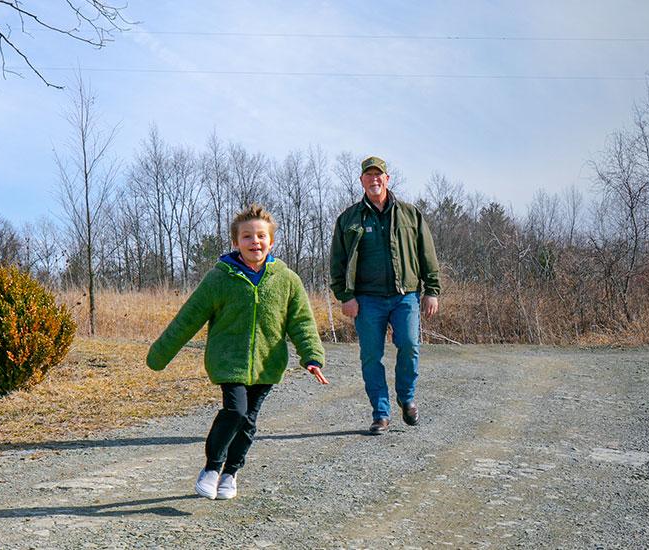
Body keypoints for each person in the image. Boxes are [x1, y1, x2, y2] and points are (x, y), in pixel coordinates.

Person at [147, 204, 330, 500]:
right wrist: (160, 354)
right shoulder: (220, 278)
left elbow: (302, 322)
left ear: (271, 241)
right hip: (228, 361)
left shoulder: (287, 280)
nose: (254, 241)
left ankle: (231, 474)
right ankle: (211, 468)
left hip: (267, 364)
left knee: (248, 421)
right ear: (236, 242)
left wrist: (311, 357)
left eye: (260, 236)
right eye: (247, 236)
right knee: (236, 411)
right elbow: (188, 317)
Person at [329, 155, 441, 435]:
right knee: (371, 357)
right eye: (369, 175)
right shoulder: (348, 219)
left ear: (387, 179)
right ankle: (381, 414)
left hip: (406, 296)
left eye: (379, 175)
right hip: (367, 300)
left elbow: (427, 255)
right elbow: (337, 263)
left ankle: (406, 397)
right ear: (362, 181)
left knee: (409, 345)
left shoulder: (410, 214)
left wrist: (432, 291)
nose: (374, 179)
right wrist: (345, 296)